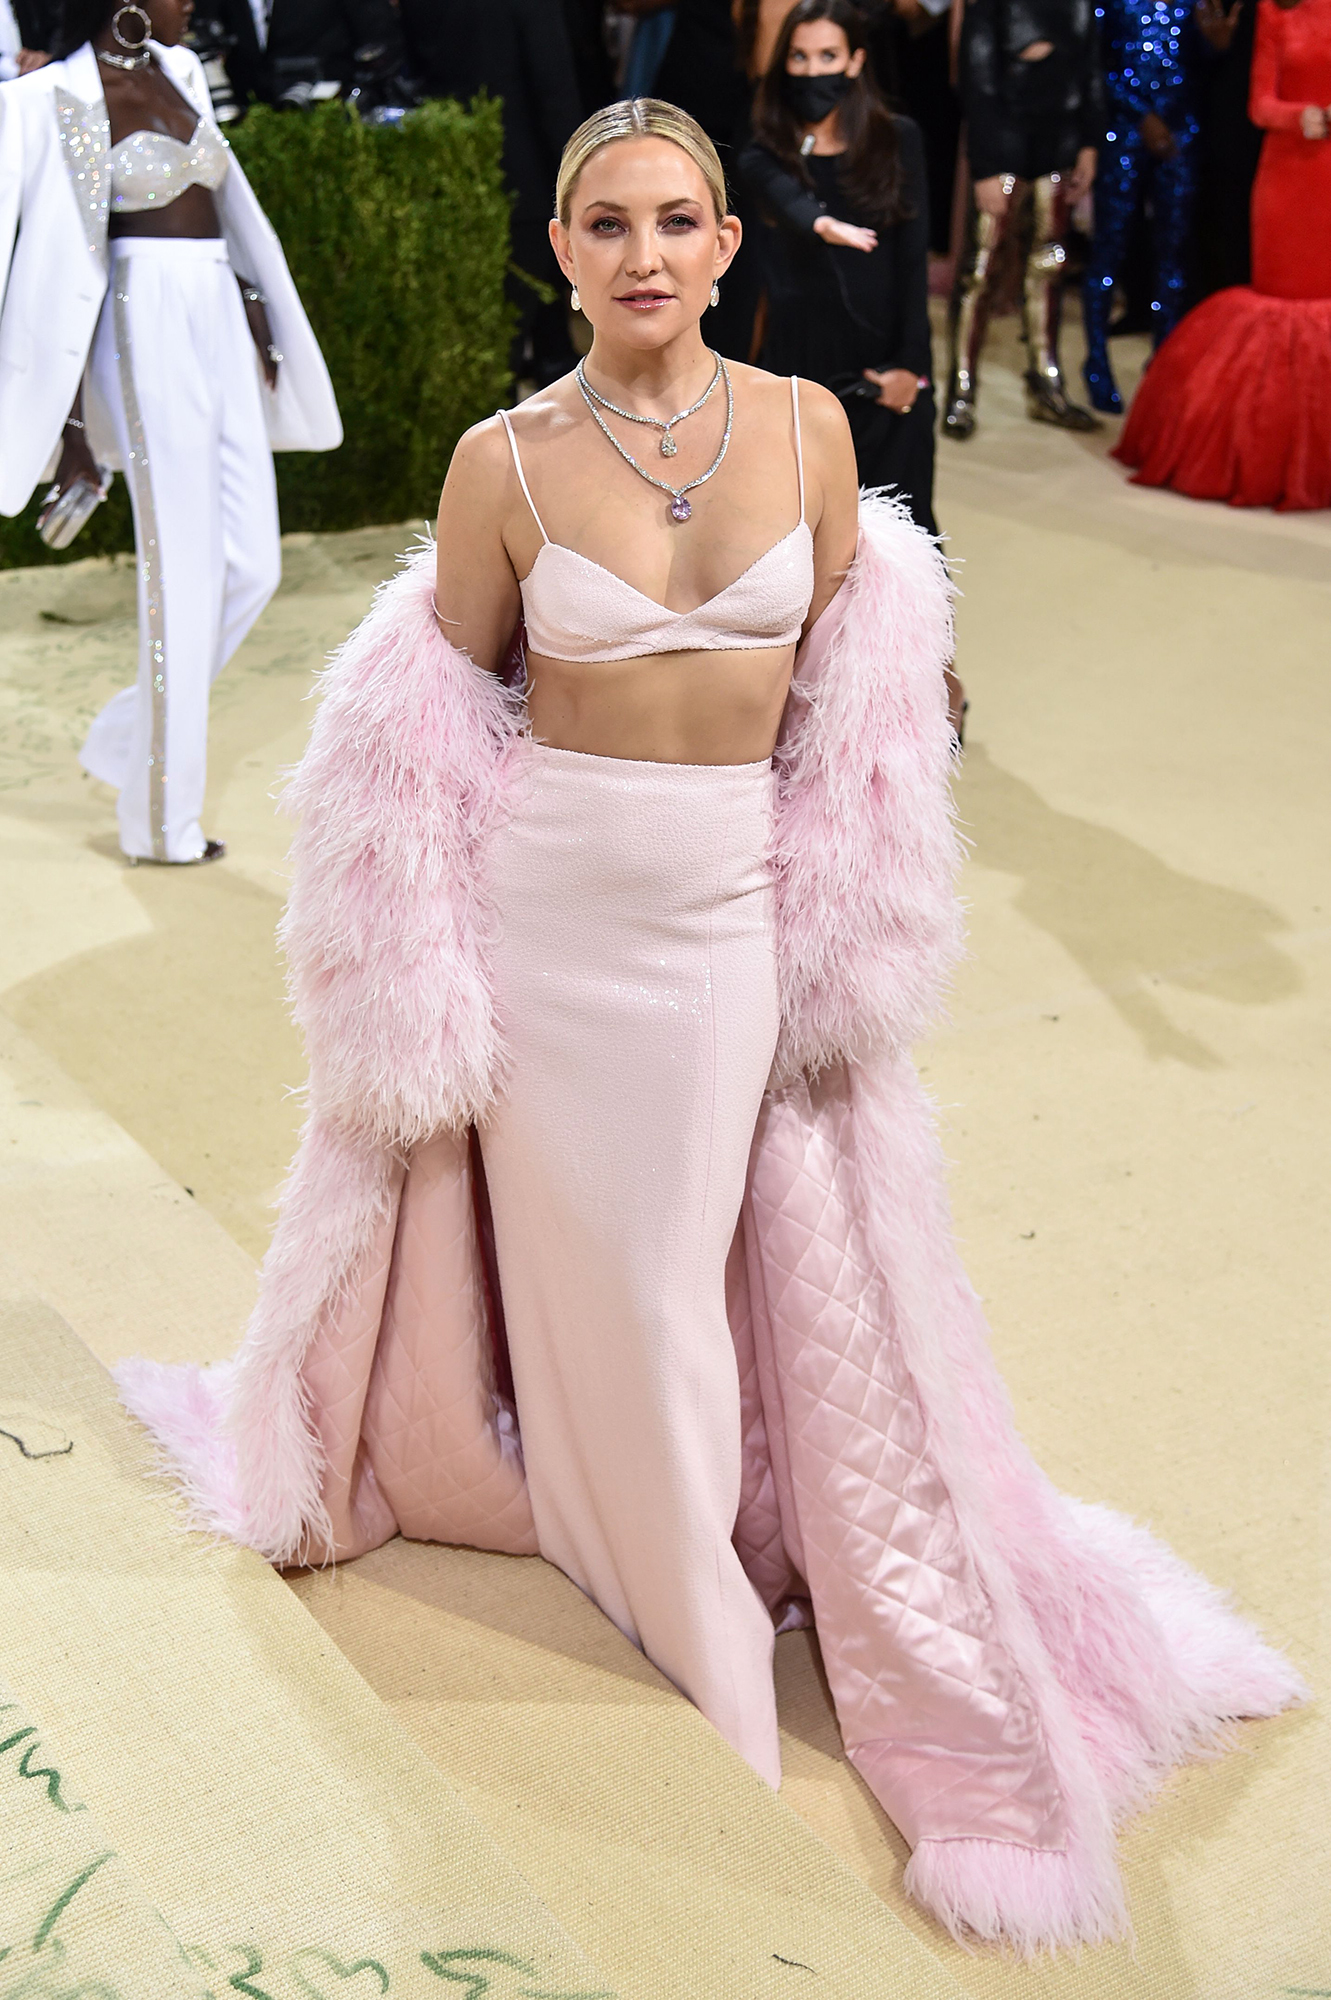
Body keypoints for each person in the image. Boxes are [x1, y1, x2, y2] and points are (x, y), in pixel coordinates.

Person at [117, 95, 1302, 1954]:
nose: (645, 254)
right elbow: (434, 727)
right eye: (606, 223)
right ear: (562, 249)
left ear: (727, 242)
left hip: (733, 910)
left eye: (676, 219)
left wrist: (864, 885)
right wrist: (417, 972)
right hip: (552, 924)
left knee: (685, 1264)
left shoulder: (810, 430)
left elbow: (854, 700)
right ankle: (678, 1605)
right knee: (616, 1284)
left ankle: (677, 1566)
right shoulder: (503, 463)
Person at [0, 0, 340, 864]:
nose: (192, 2)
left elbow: (225, 208)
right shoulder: (38, 102)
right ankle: (161, 823)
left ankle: (129, 739)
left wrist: (253, 301)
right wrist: (71, 429)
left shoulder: (181, 70)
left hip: (219, 311)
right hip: (138, 325)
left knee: (253, 566)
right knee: (181, 579)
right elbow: (33, 279)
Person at [1113, 0, 1331, 507]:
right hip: (1289, 176)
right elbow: (1259, 104)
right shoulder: (1277, 11)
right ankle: (1270, 457)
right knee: (1289, 306)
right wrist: (1305, 116)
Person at [740, 0, 938, 536]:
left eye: (828, 56)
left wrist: (912, 369)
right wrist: (821, 223)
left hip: (883, 368)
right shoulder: (769, 151)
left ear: (855, 61)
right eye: (799, 57)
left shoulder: (898, 139)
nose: (813, 71)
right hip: (797, 369)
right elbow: (777, 192)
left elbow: (912, 263)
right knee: (795, 536)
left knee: (898, 536)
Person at [945, 0, 1102, 435]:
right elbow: (976, 81)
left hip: (1059, 145)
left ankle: (1046, 386)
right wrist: (985, 166)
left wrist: (1089, 142)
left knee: (1050, 265)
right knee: (979, 271)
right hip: (1003, 147)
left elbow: (1090, 67)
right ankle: (961, 389)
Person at [1080, 0, 1230, 413]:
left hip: (1183, 134)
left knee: (1174, 254)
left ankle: (1165, 363)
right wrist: (1140, 115)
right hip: (1124, 133)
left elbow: (1200, 67)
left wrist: (1217, 46)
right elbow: (1096, 63)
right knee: (1109, 250)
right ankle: (1097, 363)